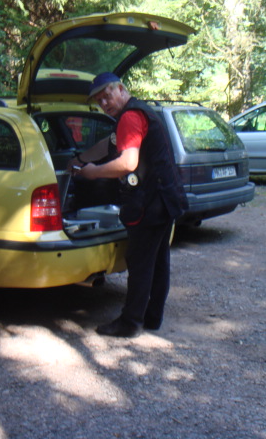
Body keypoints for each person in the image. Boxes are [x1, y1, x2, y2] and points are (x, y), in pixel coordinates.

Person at [68, 72, 188, 338]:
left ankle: (130, 322)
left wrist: (93, 172)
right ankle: (152, 318)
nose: (104, 104)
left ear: (120, 89)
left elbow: (127, 163)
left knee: (141, 262)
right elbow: (108, 145)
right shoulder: (140, 111)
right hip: (165, 198)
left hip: (149, 202)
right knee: (158, 262)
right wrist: (80, 159)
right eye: (99, 101)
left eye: (106, 96)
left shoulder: (130, 117)